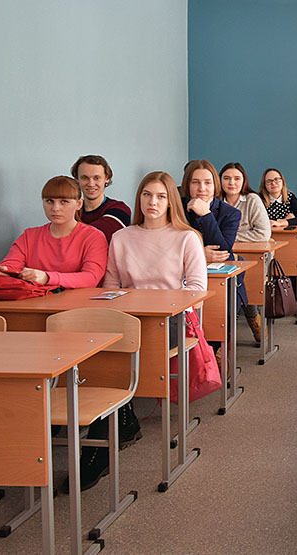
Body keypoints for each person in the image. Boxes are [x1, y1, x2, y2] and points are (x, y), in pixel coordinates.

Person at [94, 171, 207, 491]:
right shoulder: (122, 237)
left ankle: (110, 430)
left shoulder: (186, 237)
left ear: (170, 201)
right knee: (97, 348)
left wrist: (155, 304)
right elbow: (111, 285)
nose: (152, 202)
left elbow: (196, 290)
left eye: (160, 196)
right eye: (147, 195)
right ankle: (117, 419)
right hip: (128, 316)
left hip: (169, 319)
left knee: (122, 350)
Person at [0, 175, 108, 289]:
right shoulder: (29, 236)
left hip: (79, 302)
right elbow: (11, 264)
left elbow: (91, 278)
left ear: (79, 204)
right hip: (34, 300)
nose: (55, 208)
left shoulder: (93, 237)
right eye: (49, 201)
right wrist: (2, 271)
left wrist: (47, 278)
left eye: (64, 201)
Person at [220, 162, 270, 342]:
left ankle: (252, 318)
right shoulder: (215, 201)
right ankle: (223, 334)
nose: (231, 183)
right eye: (226, 178)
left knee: (246, 282)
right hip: (223, 255)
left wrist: (228, 238)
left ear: (244, 181)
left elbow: (263, 233)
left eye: (236, 178)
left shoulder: (252, 199)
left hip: (254, 256)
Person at [182, 160, 241, 264]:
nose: (202, 188)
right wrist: (199, 253)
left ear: (215, 185)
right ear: (187, 185)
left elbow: (222, 252)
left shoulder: (231, 213)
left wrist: (206, 215)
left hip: (220, 268)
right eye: (195, 182)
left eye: (208, 183)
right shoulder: (177, 207)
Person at [70, 154, 131, 243]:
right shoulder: (72, 210)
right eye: (84, 178)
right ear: (76, 179)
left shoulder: (120, 210)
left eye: (96, 178)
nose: (91, 184)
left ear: (107, 178)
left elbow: (92, 236)